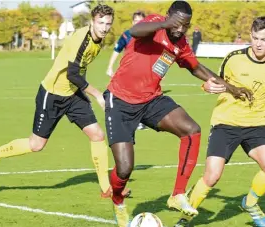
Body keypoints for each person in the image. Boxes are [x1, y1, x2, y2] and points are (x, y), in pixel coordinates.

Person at [103, 1, 252, 226]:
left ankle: (177, 194)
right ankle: (117, 199)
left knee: (191, 130)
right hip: (120, 100)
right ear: (169, 17)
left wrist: (232, 88)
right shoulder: (154, 23)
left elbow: (196, 68)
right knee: (124, 168)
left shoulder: (181, 43)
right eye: (177, 23)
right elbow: (134, 31)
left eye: (186, 25)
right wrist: (165, 23)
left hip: (151, 99)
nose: (181, 29)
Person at [0, 4, 130, 198]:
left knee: (97, 135)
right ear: (92, 21)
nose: (104, 27)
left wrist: (83, 95)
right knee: (36, 145)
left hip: (73, 95)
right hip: (52, 94)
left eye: (108, 23)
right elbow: (73, 75)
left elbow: (78, 74)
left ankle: (106, 188)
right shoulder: (81, 40)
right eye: (100, 22)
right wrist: (97, 94)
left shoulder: (98, 40)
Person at [175, 16, 265, 227]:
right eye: (255, 38)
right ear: (250, 36)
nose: (258, 43)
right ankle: (185, 218)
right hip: (226, 123)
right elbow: (213, 81)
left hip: (256, 125)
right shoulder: (233, 58)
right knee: (212, 176)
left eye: (264, 39)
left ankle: (250, 203)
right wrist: (206, 87)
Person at [106, 10, 148, 131]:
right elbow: (117, 50)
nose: (137, 23)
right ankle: (126, 120)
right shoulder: (127, 35)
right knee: (127, 97)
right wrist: (110, 66)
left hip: (143, 73)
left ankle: (139, 121)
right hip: (128, 72)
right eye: (135, 21)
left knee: (141, 97)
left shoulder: (149, 35)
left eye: (140, 21)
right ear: (132, 22)